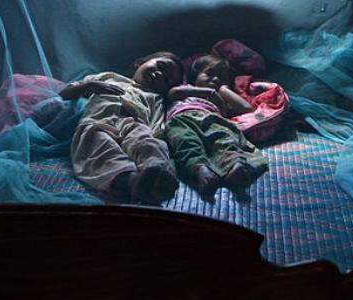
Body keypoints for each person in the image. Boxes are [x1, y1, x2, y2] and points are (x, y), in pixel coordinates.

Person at [63, 52, 183, 204]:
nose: (159, 74)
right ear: (140, 62)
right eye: (160, 66)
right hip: (99, 121)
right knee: (96, 143)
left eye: (166, 80)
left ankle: (157, 170)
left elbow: (157, 125)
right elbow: (65, 93)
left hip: (134, 123)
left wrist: (155, 137)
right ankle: (130, 179)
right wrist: (89, 86)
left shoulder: (156, 98)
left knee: (147, 141)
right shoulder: (108, 77)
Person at [165, 54, 269, 198]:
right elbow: (172, 93)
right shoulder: (187, 88)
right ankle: (200, 169)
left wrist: (224, 90)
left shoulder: (223, 98)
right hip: (181, 119)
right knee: (185, 143)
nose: (215, 80)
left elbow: (246, 109)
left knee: (225, 140)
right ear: (195, 76)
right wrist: (209, 92)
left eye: (221, 78)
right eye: (209, 74)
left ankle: (234, 166)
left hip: (212, 119)